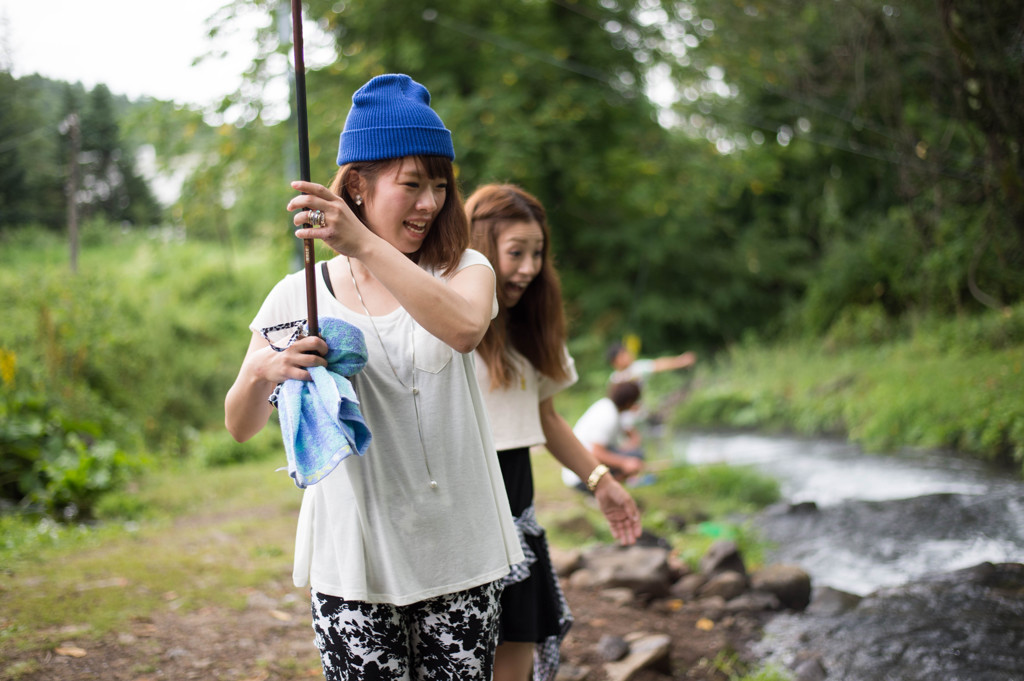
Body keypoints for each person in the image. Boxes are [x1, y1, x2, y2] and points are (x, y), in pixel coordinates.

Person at [224, 74, 523, 681]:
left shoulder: (466, 269)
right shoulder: (298, 295)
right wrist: (262, 371)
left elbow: (464, 329)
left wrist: (361, 243)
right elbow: (239, 425)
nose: (430, 203)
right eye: (412, 184)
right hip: (353, 563)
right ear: (356, 184)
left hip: (459, 556)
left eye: (440, 186)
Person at [465, 183, 642, 681]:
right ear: (479, 248)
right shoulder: (444, 322)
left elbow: (546, 419)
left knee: (515, 647)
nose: (529, 267)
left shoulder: (529, 331)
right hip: (458, 510)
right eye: (516, 253)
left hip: (516, 509)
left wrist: (602, 481)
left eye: (537, 253)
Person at [561, 380, 646, 491]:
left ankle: (609, 489)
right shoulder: (608, 416)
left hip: (583, 469)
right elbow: (596, 452)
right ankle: (603, 491)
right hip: (580, 477)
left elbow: (631, 435)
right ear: (630, 402)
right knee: (634, 457)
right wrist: (624, 463)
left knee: (634, 453)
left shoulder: (608, 407)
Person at [607, 342, 696, 386]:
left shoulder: (636, 367)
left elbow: (657, 364)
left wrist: (680, 361)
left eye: (626, 352)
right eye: (623, 354)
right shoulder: (614, 380)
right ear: (615, 361)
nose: (628, 355)